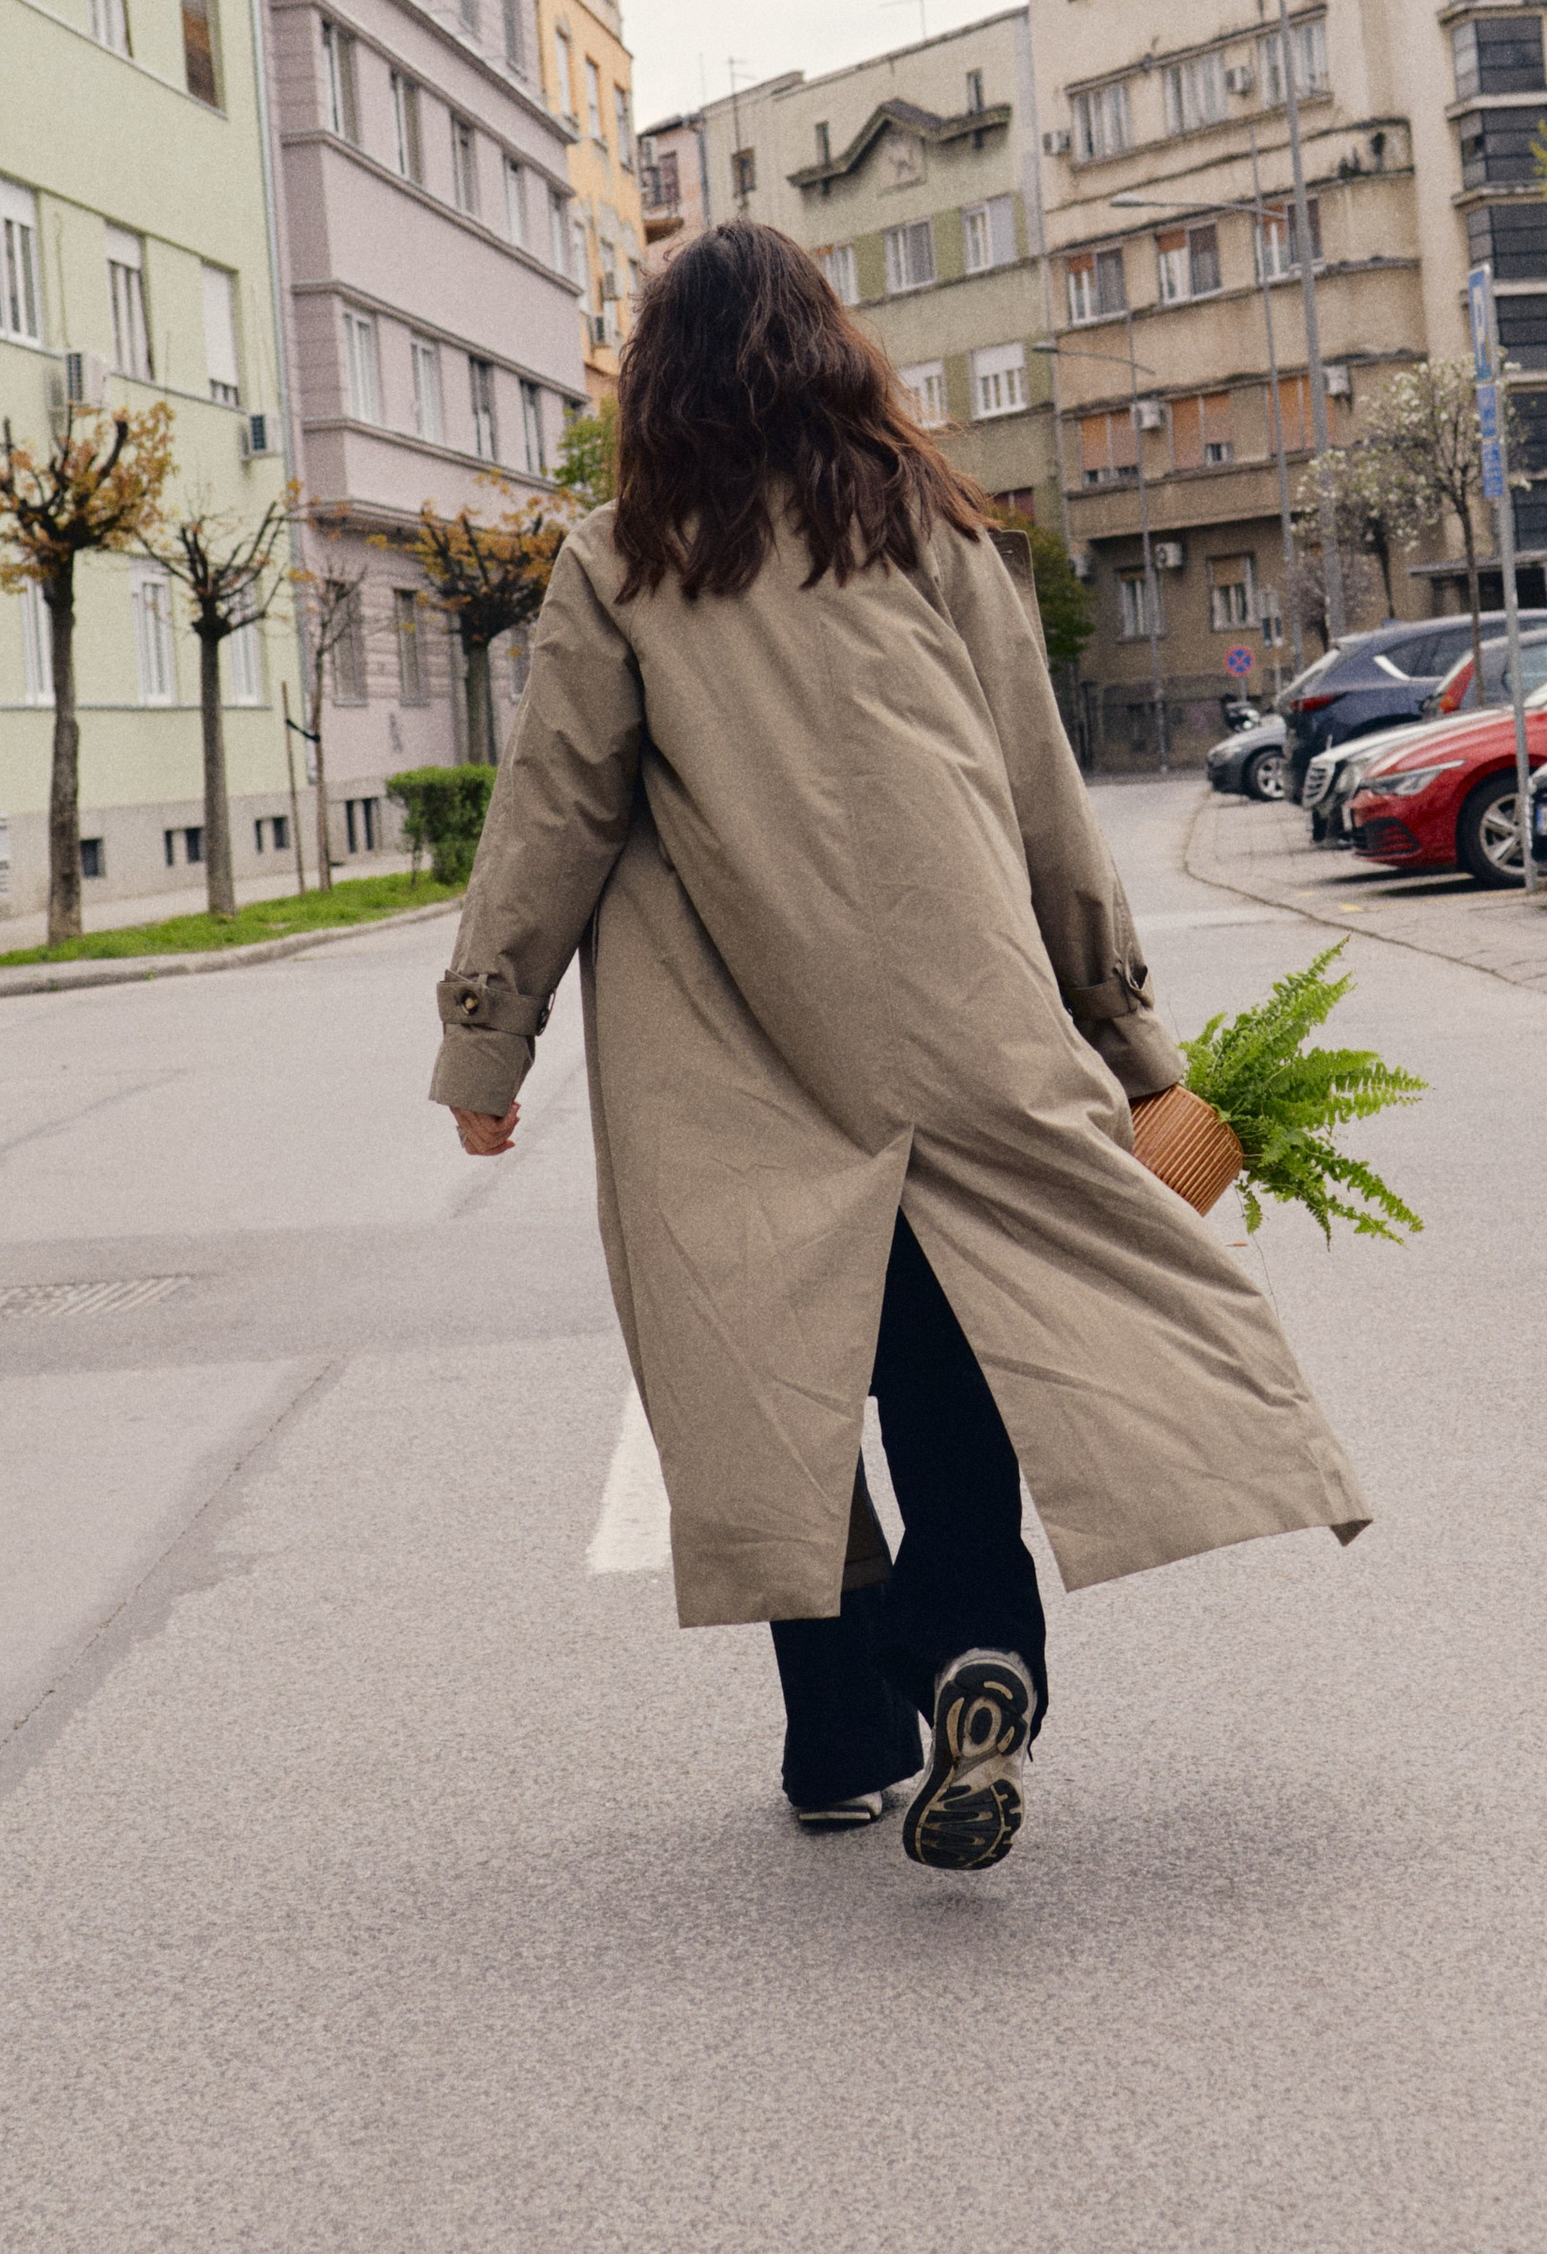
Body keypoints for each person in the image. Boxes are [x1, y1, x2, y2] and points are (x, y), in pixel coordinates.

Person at [430, 222, 1369, 1870]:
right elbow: (1044, 805)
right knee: (957, 1372)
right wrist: (1131, 1036)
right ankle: (976, 1653)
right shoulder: (938, 531)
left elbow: (555, 817)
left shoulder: (623, 559)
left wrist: (485, 1055)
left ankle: (841, 1735)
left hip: (738, 1066)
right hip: (972, 1035)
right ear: (832, 347)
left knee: (774, 1392)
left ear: (656, 375)